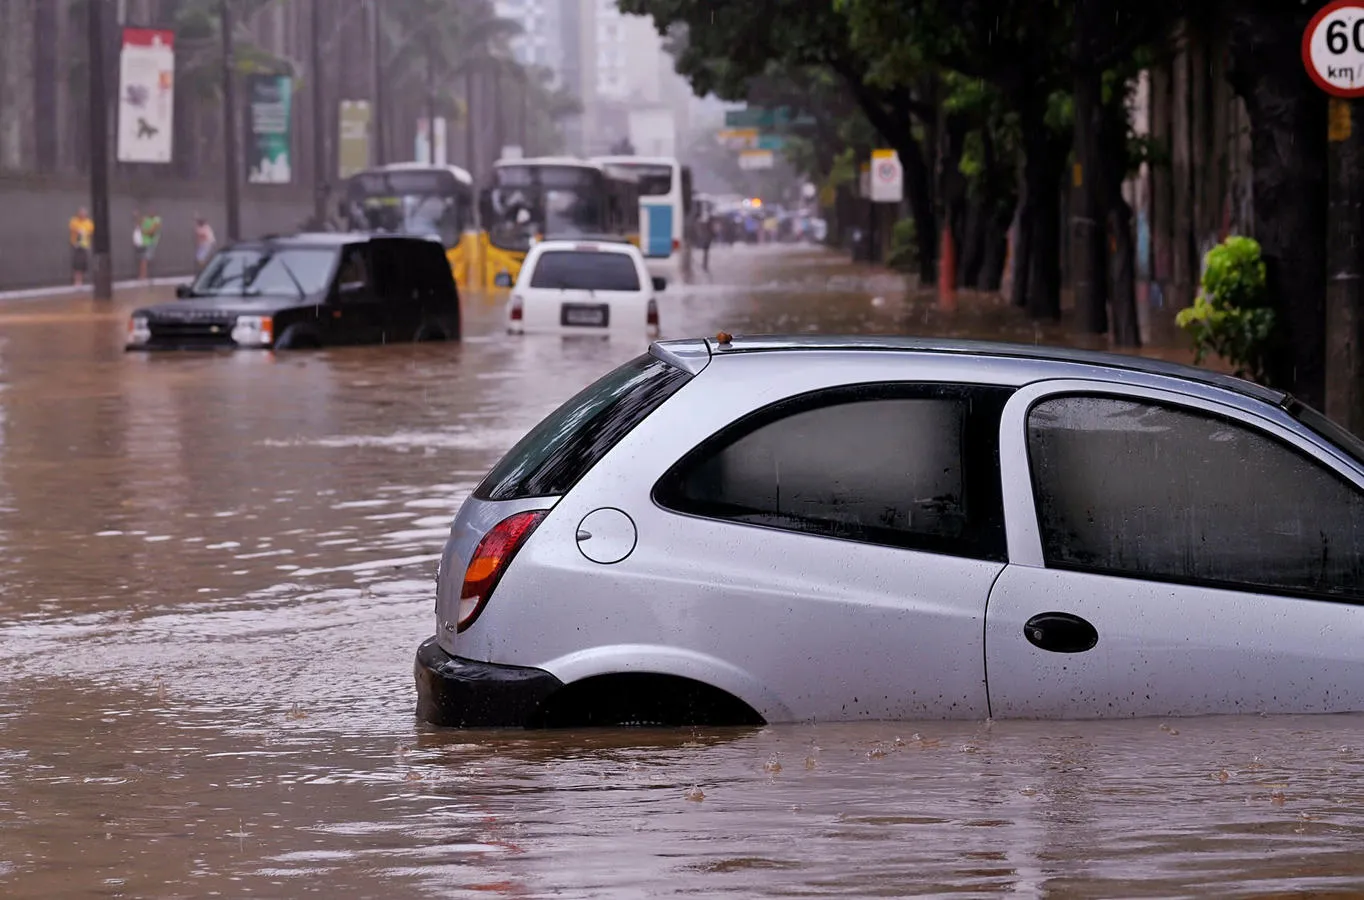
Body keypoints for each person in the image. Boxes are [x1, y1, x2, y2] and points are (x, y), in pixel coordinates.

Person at [68, 206, 94, 286]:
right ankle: (76, 282)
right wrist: (80, 231)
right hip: (76, 245)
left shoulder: (89, 223)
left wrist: (84, 232)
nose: (82, 214)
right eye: (81, 213)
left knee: (83, 264)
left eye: (84, 213)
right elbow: (74, 229)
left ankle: (81, 281)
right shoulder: (74, 221)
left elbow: (89, 232)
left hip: (84, 246)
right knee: (76, 264)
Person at [135, 208, 162, 280]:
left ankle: (143, 276)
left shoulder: (157, 219)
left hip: (150, 242)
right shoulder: (146, 218)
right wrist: (137, 216)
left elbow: (152, 232)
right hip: (143, 242)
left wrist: (143, 231)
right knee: (143, 259)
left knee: (145, 259)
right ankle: (142, 276)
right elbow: (139, 222)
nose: (150, 212)